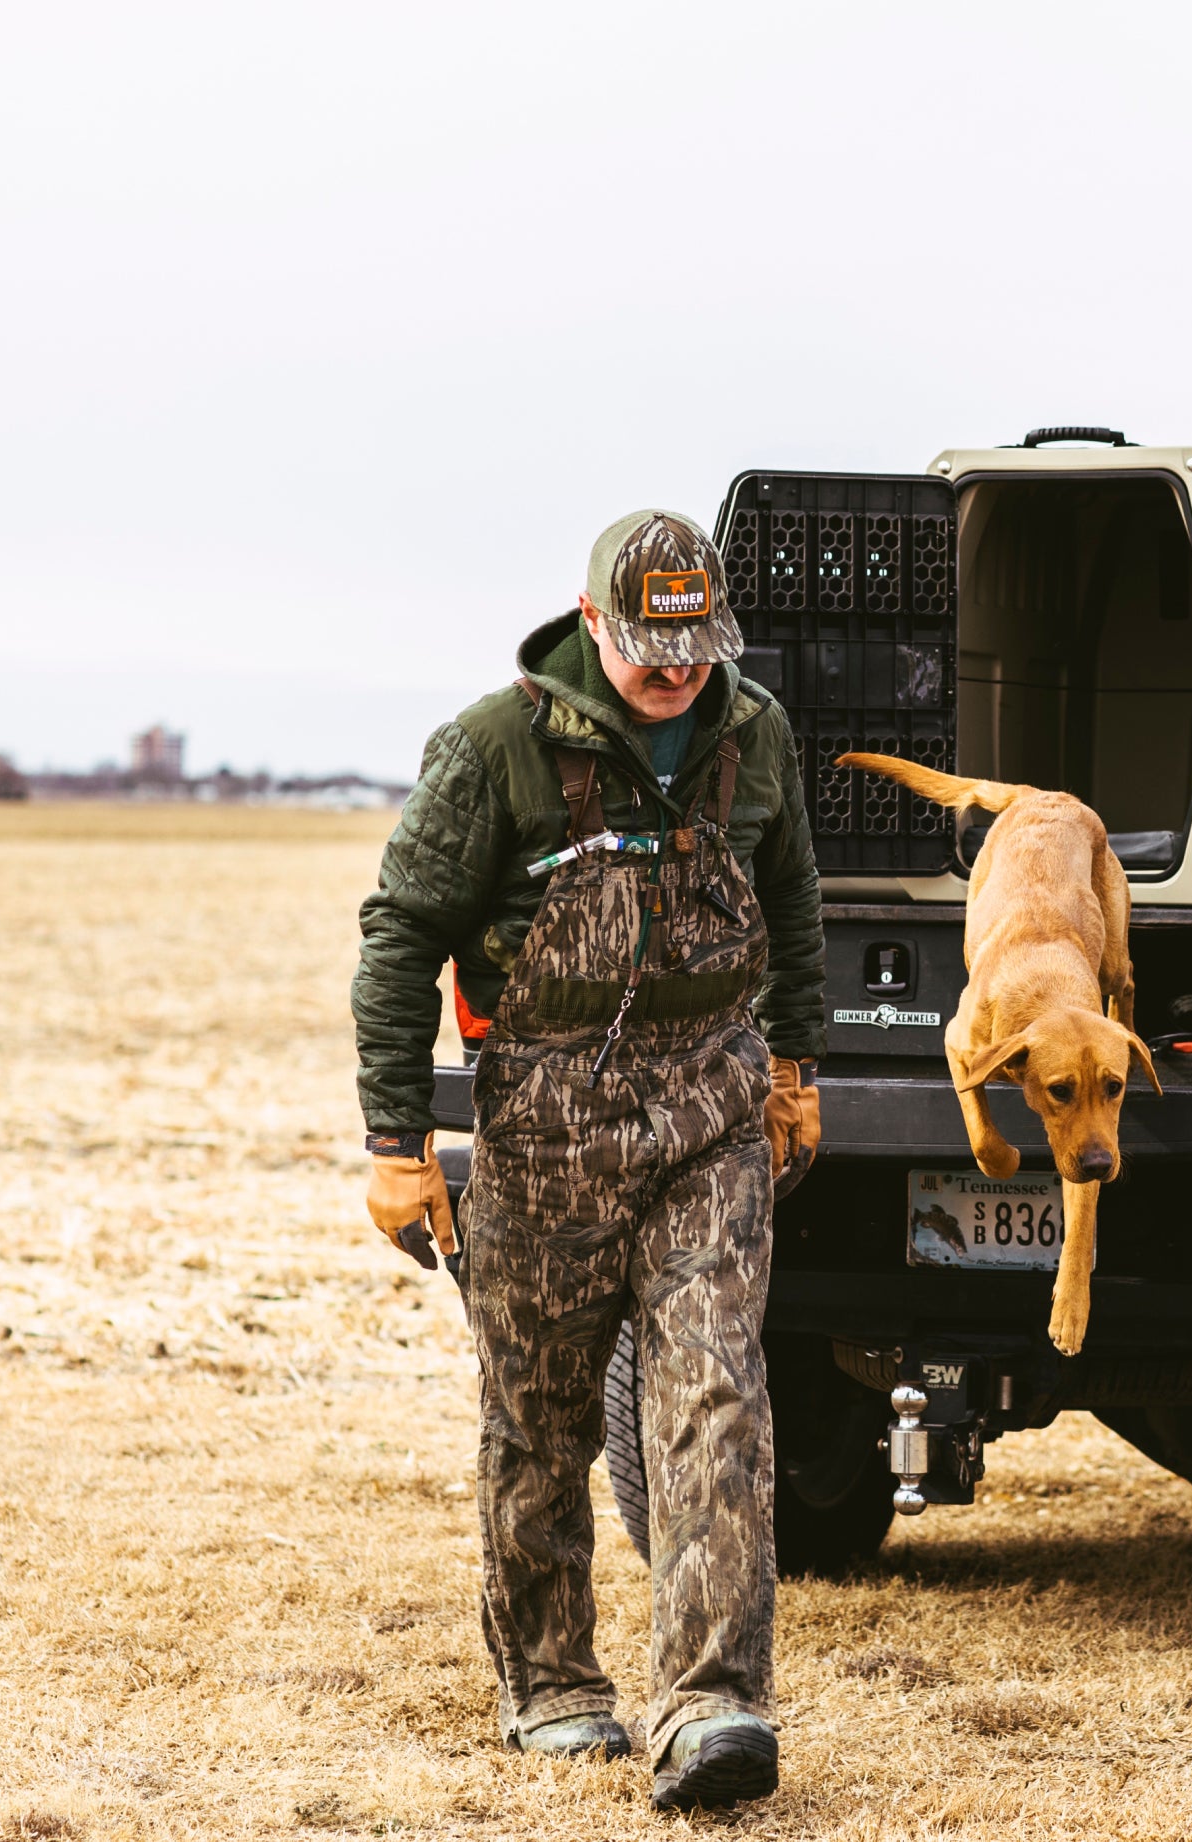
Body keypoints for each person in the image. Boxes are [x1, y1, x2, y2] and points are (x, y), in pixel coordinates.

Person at [350, 508, 824, 1811]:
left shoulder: (756, 734)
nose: (675, 673)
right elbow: (398, 938)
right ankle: (553, 1679)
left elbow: (792, 897)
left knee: (715, 1395)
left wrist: (797, 1066)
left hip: (709, 1123)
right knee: (541, 1421)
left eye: (694, 648)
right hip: (543, 1132)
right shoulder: (494, 749)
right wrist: (398, 1143)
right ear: (590, 618)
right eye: (648, 648)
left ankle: (712, 1701)